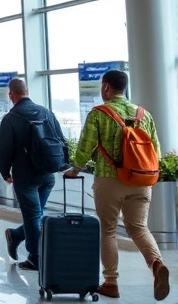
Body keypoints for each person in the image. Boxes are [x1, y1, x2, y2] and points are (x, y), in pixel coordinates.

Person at [65, 70, 169, 301]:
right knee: (139, 227)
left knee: (109, 229)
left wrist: (75, 168)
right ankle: (156, 264)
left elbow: (85, 147)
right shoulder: (145, 114)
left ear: (105, 87)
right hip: (141, 181)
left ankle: (111, 282)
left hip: (110, 180)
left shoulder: (99, 114)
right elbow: (156, 152)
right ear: (124, 87)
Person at [0, 77, 65, 271]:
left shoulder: (11, 118)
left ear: (11, 95)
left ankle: (34, 256)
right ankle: (16, 236)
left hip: (25, 176)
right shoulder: (46, 112)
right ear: (27, 91)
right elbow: (60, 139)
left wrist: (4, 171)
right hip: (48, 174)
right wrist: (62, 165)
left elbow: (5, 150)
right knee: (36, 215)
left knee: (34, 216)